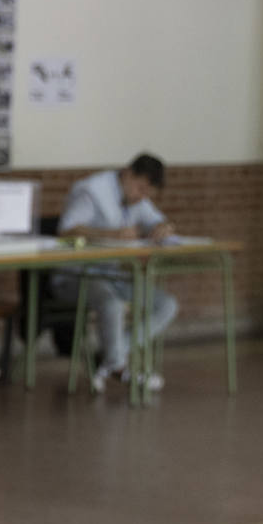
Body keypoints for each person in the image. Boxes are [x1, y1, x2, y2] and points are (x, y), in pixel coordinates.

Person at [52, 153, 178, 393]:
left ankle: (110, 354)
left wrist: (164, 227)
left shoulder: (137, 198)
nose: (142, 197)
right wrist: (112, 235)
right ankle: (119, 367)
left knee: (166, 305)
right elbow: (66, 233)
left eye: (147, 194)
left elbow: (156, 220)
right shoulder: (91, 190)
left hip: (113, 274)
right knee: (112, 303)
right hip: (77, 275)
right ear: (128, 174)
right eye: (140, 189)